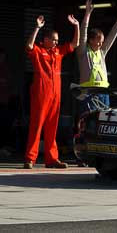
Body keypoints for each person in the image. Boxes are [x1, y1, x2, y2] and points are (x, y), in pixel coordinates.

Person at [24, 14, 79, 169]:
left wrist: (76, 26)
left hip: (55, 95)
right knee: (36, 126)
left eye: (57, 40)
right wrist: (37, 28)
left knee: (52, 127)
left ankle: (52, 159)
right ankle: (30, 158)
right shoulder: (38, 50)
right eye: (54, 39)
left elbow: (74, 44)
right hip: (41, 94)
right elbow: (29, 46)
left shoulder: (58, 52)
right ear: (46, 39)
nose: (56, 42)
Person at [76, 0, 117, 116]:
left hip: (104, 92)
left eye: (102, 42)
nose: (101, 44)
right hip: (88, 92)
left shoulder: (102, 52)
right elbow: (83, 32)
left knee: (104, 119)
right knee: (86, 120)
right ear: (91, 40)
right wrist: (87, 14)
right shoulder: (84, 52)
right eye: (98, 41)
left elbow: (113, 35)